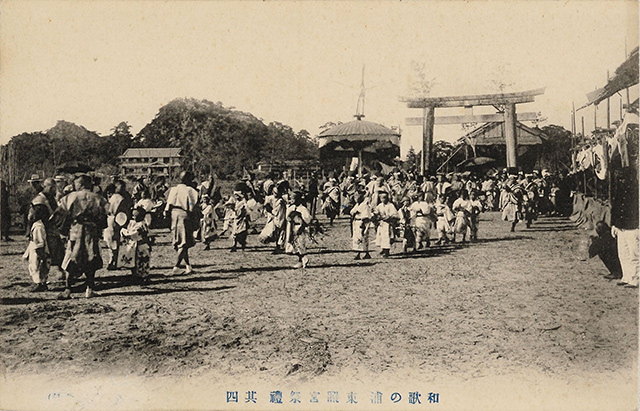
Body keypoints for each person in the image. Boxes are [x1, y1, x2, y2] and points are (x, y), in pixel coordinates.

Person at [57, 174, 108, 299]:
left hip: (75, 231)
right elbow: (104, 217)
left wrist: (63, 230)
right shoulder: (98, 198)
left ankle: (68, 289)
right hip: (91, 232)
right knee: (91, 258)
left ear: (79, 184)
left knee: (71, 258)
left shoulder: (70, 197)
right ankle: (89, 289)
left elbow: (60, 215)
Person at [165, 171, 199, 275]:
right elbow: (193, 206)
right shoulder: (190, 190)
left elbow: (168, 206)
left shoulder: (173, 189)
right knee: (183, 242)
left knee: (180, 240)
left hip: (174, 214)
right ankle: (176, 267)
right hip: (184, 214)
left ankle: (188, 266)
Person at [118, 206, 152, 285]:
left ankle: (143, 278)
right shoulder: (132, 222)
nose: (133, 217)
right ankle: (136, 276)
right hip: (135, 245)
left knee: (142, 263)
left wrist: (124, 231)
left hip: (142, 246)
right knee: (135, 262)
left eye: (135, 216)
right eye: (133, 215)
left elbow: (134, 234)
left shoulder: (141, 225)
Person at [105, 180, 133, 270]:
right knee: (112, 240)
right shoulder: (117, 198)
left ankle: (113, 260)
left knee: (114, 240)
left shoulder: (121, 197)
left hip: (117, 220)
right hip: (114, 219)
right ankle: (113, 260)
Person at [23, 205, 50, 292]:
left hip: (38, 250)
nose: (29, 215)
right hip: (34, 249)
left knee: (37, 267)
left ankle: (40, 283)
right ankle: (41, 283)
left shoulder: (38, 227)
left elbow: (39, 242)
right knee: (34, 266)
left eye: (31, 213)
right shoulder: (35, 225)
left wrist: (40, 253)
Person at [285, 191, 312, 268]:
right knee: (293, 245)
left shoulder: (302, 209)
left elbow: (308, 219)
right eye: (291, 198)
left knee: (300, 244)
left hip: (299, 228)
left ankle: (304, 258)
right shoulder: (290, 207)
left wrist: (302, 225)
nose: (292, 200)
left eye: (294, 198)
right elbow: (287, 217)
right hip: (291, 228)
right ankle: (301, 260)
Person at [373, 191, 397, 257]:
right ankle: (383, 249)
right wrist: (376, 214)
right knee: (381, 236)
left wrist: (389, 217)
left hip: (388, 223)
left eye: (385, 198)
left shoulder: (390, 205)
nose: (383, 199)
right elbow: (376, 211)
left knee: (387, 237)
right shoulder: (380, 205)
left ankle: (387, 252)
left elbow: (395, 214)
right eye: (381, 198)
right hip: (382, 223)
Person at [350, 191, 372, 260]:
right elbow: (352, 211)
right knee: (356, 237)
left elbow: (366, 216)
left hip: (361, 222)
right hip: (356, 221)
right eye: (355, 197)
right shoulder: (357, 205)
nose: (356, 198)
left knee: (361, 237)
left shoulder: (364, 205)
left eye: (358, 197)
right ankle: (365, 253)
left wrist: (363, 224)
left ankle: (359, 253)